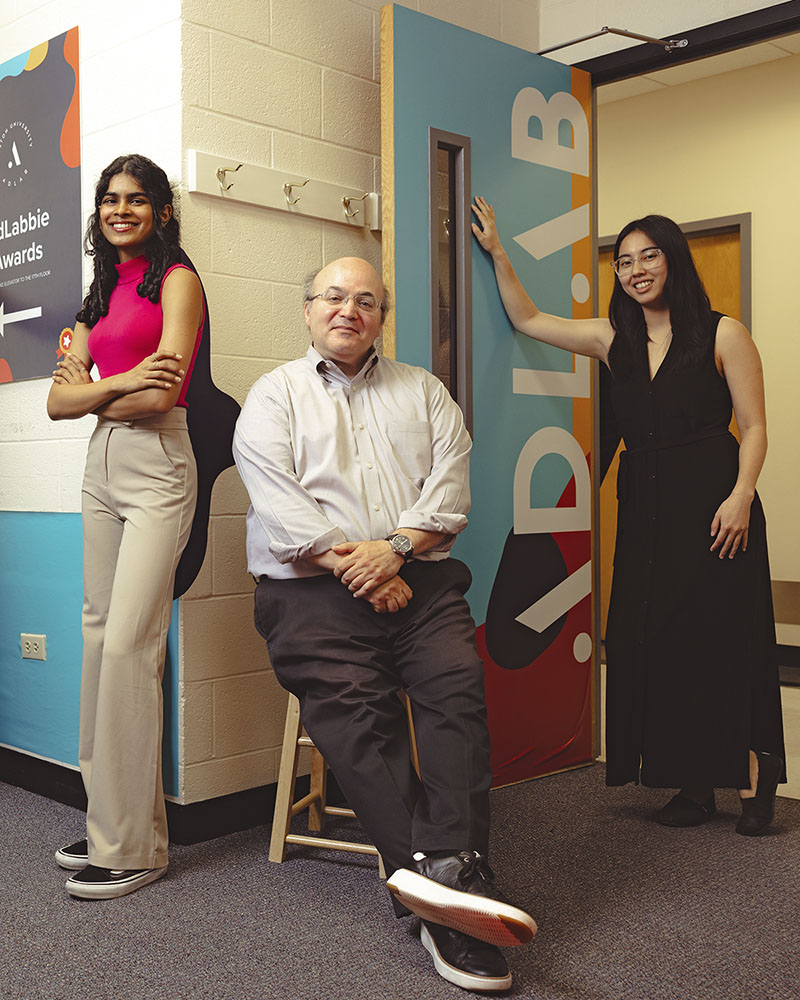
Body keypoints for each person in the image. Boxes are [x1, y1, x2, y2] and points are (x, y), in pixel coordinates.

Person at [233, 256, 536, 992]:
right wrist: (358, 568)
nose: (349, 309)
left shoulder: (425, 393)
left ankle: (441, 870)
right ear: (307, 310)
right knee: (358, 719)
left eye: (365, 300)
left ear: (382, 316)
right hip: (309, 592)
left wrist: (393, 552)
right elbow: (281, 509)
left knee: (456, 692)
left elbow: (450, 490)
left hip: (418, 581)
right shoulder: (272, 398)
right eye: (333, 297)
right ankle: (450, 900)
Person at [471, 197, 785, 835]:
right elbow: (529, 319)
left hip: (718, 507)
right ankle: (694, 784)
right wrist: (499, 251)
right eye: (625, 261)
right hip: (645, 512)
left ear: (673, 261)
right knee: (663, 641)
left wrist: (741, 495)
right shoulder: (613, 337)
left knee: (727, 638)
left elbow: (753, 427)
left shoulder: (724, 333)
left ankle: (758, 777)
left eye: (650, 257)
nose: (636, 270)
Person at [47, 154, 204, 898]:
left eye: (136, 200)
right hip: (100, 467)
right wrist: (117, 385)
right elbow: (55, 405)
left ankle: (135, 848)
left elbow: (161, 394)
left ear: (160, 211)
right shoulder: (98, 294)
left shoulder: (176, 281)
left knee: (133, 649)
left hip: (158, 465)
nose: (120, 211)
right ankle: (111, 817)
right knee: (98, 638)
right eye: (110, 200)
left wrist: (94, 393)